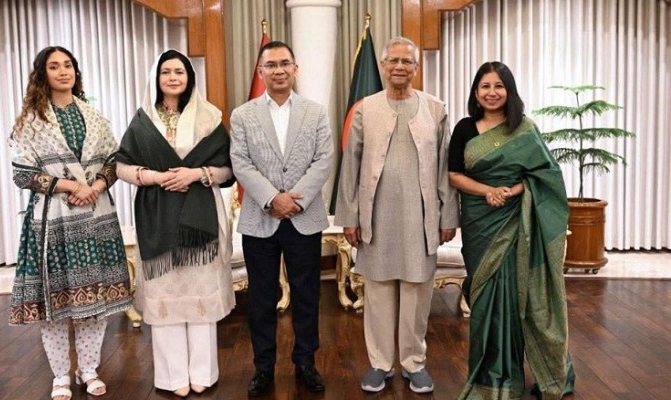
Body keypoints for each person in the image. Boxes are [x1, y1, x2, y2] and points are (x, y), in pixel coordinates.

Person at [334, 36, 459, 394]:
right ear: (383, 66)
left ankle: (414, 363)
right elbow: (350, 166)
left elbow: (445, 168)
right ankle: (379, 363)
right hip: (377, 216)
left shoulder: (435, 108)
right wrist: (350, 216)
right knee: (377, 291)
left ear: (416, 68)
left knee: (417, 294)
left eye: (407, 61)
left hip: (420, 218)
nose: (400, 67)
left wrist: (448, 216)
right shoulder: (365, 108)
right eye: (393, 61)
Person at [8, 46, 132, 400]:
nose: (63, 71)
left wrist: (95, 187)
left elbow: (114, 162)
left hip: (96, 216)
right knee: (56, 303)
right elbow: (22, 173)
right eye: (54, 66)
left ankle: (89, 369)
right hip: (53, 221)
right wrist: (71, 186)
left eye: (68, 65)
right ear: (42, 74)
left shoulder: (94, 116)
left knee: (95, 299)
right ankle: (60, 375)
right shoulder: (31, 121)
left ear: (76, 72)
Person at [448, 61, 575, 399]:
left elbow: (546, 175)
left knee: (521, 295)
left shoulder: (525, 129)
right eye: (485, 86)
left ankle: (544, 372)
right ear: (476, 92)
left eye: (499, 86)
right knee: (486, 295)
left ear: (509, 91)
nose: (492, 92)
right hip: (479, 221)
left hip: (517, 219)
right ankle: (491, 377)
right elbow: (454, 174)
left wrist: (513, 191)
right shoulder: (465, 128)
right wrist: (487, 191)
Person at [116, 49, 236, 398]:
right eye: (165, 72)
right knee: (165, 295)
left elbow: (228, 170)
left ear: (189, 77)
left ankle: (203, 372)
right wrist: (155, 177)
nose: (172, 77)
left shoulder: (209, 117)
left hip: (202, 221)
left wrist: (196, 174)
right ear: (156, 78)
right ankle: (172, 377)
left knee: (200, 297)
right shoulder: (143, 121)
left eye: (179, 71)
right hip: (157, 218)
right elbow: (120, 166)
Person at [229, 40, 333, 396]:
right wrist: (273, 198)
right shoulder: (243, 115)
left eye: (285, 63)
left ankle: (305, 363)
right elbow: (241, 162)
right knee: (260, 299)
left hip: (304, 218)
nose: (279, 70)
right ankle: (263, 368)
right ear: (261, 72)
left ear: (295, 69)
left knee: (307, 295)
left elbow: (323, 161)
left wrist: (294, 202)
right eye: (271, 65)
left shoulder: (315, 112)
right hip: (260, 219)